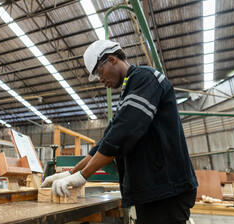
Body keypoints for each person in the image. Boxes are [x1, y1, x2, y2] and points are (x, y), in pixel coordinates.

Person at [41, 40, 198, 224]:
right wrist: (71, 173)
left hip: (167, 187)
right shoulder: (129, 92)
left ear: (112, 59)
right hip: (155, 189)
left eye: (100, 72)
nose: (101, 79)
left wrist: (83, 176)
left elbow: (123, 133)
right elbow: (107, 139)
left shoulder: (145, 78)